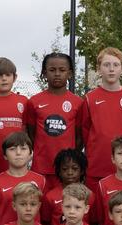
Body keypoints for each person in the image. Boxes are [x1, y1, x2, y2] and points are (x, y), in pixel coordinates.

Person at [81, 47, 122, 196]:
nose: (111, 69)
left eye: (116, 65)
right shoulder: (90, 98)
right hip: (97, 166)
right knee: (95, 207)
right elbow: (85, 132)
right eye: (106, 65)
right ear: (98, 69)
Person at [25, 52, 83, 192]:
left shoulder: (78, 102)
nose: (57, 74)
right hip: (41, 168)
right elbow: (31, 134)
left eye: (62, 70)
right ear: (45, 73)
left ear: (70, 73)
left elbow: (80, 136)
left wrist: (69, 158)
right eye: (52, 70)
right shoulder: (34, 102)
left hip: (66, 171)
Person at [41, 148, 95, 225]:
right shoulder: (50, 196)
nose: (70, 172)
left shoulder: (90, 195)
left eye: (75, 168)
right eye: (65, 169)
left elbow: (94, 223)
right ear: (59, 171)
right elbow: (46, 222)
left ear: (82, 171)